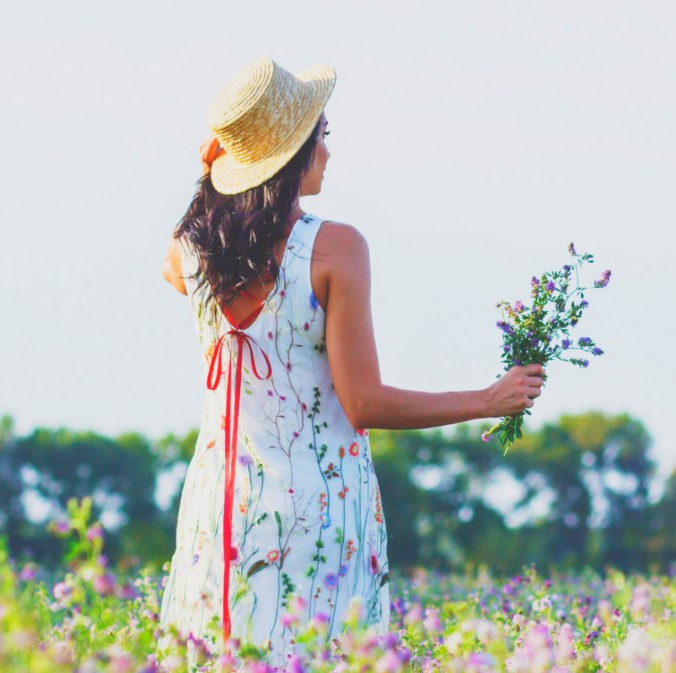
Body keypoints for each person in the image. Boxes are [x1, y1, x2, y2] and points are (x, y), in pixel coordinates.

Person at [155, 57, 546, 663]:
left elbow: (173, 258)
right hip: (318, 511)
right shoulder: (334, 248)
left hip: (219, 510)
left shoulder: (192, 254)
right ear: (295, 154)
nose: (330, 153)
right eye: (323, 136)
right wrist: (487, 400)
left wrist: (213, 175)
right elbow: (362, 402)